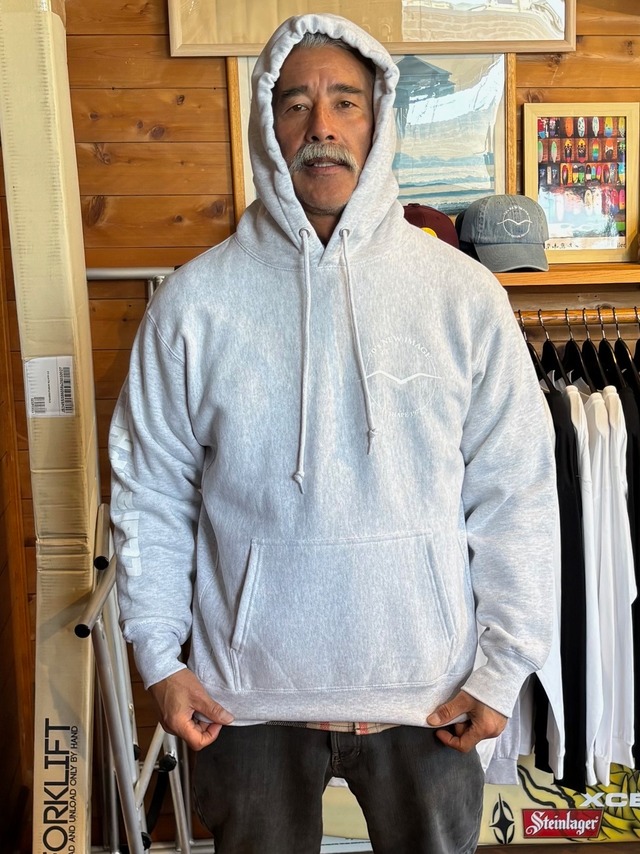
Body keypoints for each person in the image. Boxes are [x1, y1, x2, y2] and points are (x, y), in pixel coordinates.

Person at [109, 13, 557, 854]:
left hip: (429, 695)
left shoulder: (462, 297)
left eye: (345, 102)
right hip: (244, 700)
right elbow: (152, 490)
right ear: (266, 123)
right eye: (296, 105)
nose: (322, 126)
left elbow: (518, 491)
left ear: (378, 122)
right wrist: (159, 658)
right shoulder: (195, 305)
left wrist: (504, 668)